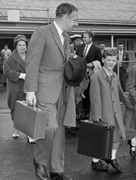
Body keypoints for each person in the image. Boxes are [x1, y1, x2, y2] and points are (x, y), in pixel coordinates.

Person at [24, 3, 79, 180]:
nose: (76, 24)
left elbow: (61, 62)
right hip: (45, 89)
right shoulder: (42, 32)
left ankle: (57, 170)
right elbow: (32, 62)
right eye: (75, 20)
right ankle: (39, 162)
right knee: (50, 127)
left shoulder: (67, 37)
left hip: (62, 90)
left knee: (59, 132)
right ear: (65, 17)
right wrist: (30, 90)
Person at [89, 49, 133, 172]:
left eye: (114, 60)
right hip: (104, 112)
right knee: (101, 139)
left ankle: (112, 158)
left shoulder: (114, 75)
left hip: (116, 112)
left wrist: (129, 104)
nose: (111, 63)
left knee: (116, 136)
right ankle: (95, 161)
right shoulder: (96, 77)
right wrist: (96, 116)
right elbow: (95, 98)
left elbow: (120, 91)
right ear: (103, 60)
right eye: (108, 60)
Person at [3, 35, 35, 143]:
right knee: (16, 110)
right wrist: (21, 75)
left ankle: (29, 133)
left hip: (29, 88)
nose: (22, 47)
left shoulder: (31, 56)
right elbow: (6, 71)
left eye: (24, 45)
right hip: (16, 88)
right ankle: (16, 129)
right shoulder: (10, 59)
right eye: (20, 45)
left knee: (30, 109)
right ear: (15, 46)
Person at [76, 30, 102, 120]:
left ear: (90, 38)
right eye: (83, 37)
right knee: (80, 92)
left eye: (85, 37)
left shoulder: (96, 49)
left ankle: (87, 113)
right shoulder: (80, 47)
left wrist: (92, 64)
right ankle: (79, 113)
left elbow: (100, 62)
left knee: (88, 93)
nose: (83, 39)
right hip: (80, 75)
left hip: (90, 75)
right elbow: (76, 58)